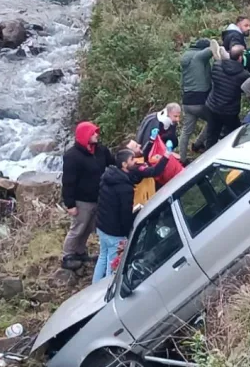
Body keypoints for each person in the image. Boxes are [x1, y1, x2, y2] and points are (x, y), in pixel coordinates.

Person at [61, 121, 115, 270]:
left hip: (98, 197)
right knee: (78, 228)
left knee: (89, 227)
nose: (96, 135)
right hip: (81, 200)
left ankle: (80, 252)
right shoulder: (72, 156)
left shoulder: (101, 151)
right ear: (85, 136)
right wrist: (70, 204)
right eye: (93, 133)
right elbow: (68, 181)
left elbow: (112, 164)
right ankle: (67, 256)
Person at [93, 148, 139, 283]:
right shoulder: (125, 188)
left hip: (102, 226)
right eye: (132, 159)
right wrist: (127, 234)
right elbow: (125, 214)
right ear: (124, 164)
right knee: (112, 264)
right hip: (114, 232)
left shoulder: (107, 177)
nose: (135, 161)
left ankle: (94, 285)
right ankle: (104, 291)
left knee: (103, 256)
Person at [205, 45, 250, 147]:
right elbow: (249, 89)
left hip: (212, 106)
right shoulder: (243, 74)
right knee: (233, 135)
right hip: (229, 111)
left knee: (212, 135)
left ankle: (207, 156)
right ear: (240, 57)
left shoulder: (217, 65)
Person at [179, 40, 212, 156]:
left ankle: (182, 159)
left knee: (186, 132)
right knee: (214, 121)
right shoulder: (199, 56)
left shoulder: (185, 58)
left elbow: (182, 82)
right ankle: (198, 144)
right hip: (200, 100)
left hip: (187, 101)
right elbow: (212, 49)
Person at [124, 139, 170, 206]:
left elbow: (144, 153)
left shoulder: (135, 160)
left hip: (151, 194)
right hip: (147, 203)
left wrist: (151, 140)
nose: (140, 145)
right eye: (136, 146)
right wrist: (167, 154)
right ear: (132, 154)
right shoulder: (135, 168)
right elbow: (155, 171)